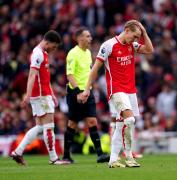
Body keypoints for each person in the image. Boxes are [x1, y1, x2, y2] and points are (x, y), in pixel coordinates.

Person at [81, 20, 154, 168]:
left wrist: (144, 33)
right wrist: (87, 89)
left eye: (137, 38)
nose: (135, 40)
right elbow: (95, 69)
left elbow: (149, 49)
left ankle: (113, 160)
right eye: (134, 36)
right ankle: (128, 157)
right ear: (126, 30)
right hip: (116, 90)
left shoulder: (131, 45)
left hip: (131, 91)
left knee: (121, 125)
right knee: (130, 121)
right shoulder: (108, 46)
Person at [10, 30, 67, 165]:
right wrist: (28, 95)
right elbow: (32, 75)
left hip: (44, 93)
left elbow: (44, 78)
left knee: (40, 127)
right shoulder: (38, 54)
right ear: (47, 42)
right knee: (49, 126)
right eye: (53, 46)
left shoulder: (43, 53)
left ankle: (17, 152)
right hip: (40, 95)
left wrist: (52, 93)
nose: (54, 49)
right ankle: (54, 158)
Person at [61, 27, 109, 164]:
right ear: (80, 38)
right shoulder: (72, 54)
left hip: (88, 91)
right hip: (75, 93)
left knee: (92, 121)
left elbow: (88, 73)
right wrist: (77, 92)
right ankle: (66, 155)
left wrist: (87, 90)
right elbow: (69, 75)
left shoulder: (88, 53)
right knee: (72, 124)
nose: (90, 38)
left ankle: (100, 154)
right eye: (87, 36)